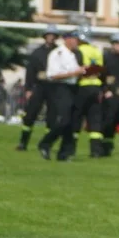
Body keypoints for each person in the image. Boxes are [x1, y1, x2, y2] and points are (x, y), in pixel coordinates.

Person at [38, 31, 88, 161]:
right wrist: (74, 73)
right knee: (64, 120)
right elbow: (52, 75)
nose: (78, 44)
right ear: (68, 40)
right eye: (77, 40)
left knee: (72, 123)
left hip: (73, 88)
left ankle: (64, 153)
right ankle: (45, 143)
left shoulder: (73, 55)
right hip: (60, 88)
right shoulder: (57, 54)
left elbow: (74, 73)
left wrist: (84, 71)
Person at [17, 24, 60, 151]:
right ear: (45, 36)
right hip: (39, 87)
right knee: (30, 114)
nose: (51, 38)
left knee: (52, 117)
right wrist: (28, 89)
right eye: (49, 35)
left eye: (53, 36)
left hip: (54, 87)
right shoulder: (37, 53)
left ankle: (47, 144)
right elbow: (30, 72)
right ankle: (23, 143)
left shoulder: (59, 52)